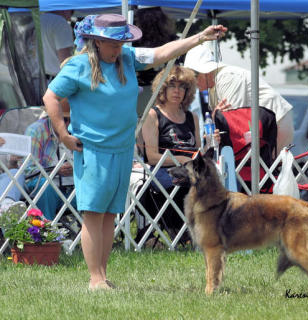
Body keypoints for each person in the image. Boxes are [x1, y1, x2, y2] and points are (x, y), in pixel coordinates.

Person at [42, 13, 226, 290]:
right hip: (92, 149)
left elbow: (162, 53)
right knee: (93, 212)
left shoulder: (127, 57)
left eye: (122, 42)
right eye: (114, 43)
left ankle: (103, 275)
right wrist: (64, 135)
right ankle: (95, 279)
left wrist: (200, 38)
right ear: (97, 41)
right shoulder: (78, 66)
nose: (119, 48)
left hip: (123, 147)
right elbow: (50, 97)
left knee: (109, 214)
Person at [184, 43, 294, 153]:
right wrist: (217, 115)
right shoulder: (214, 87)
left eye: (194, 76)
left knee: (267, 166)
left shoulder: (227, 77)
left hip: (275, 122)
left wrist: (216, 116)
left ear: (205, 72)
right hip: (262, 127)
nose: (192, 82)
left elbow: (233, 119)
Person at [24, 99, 75, 220]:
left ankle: (104, 230)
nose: (68, 124)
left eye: (72, 119)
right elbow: (28, 169)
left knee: (96, 185)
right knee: (46, 186)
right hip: (44, 186)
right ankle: (47, 232)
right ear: (52, 116)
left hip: (72, 187)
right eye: (64, 119)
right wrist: (55, 170)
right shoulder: (36, 131)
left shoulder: (76, 130)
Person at [40, 10, 74, 79]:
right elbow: (65, 59)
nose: (70, 18)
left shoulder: (37, 19)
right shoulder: (60, 22)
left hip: (36, 80)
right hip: (55, 80)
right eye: (72, 12)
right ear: (66, 9)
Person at [0, 138, 25, 213]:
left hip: (5, 181)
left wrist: (13, 162)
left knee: (15, 172)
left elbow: (8, 172)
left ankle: (7, 206)